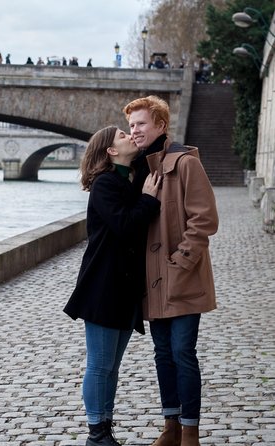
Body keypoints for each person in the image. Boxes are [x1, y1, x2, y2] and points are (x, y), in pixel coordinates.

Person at [124, 95, 218, 446]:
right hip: (152, 280)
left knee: (182, 352)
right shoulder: (138, 171)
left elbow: (204, 220)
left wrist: (179, 262)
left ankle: (190, 429)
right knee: (162, 353)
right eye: (131, 125)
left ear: (160, 125)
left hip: (182, 276)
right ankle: (171, 426)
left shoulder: (185, 164)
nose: (134, 131)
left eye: (141, 124)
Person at [64, 126, 161, 446]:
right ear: (110, 151)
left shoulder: (125, 179)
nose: (130, 136)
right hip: (103, 287)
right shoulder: (106, 184)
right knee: (100, 364)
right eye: (122, 134)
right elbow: (125, 224)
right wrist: (148, 199)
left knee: (111, 367)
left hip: (122, 287)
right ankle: (96, 432)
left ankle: (105, 430)